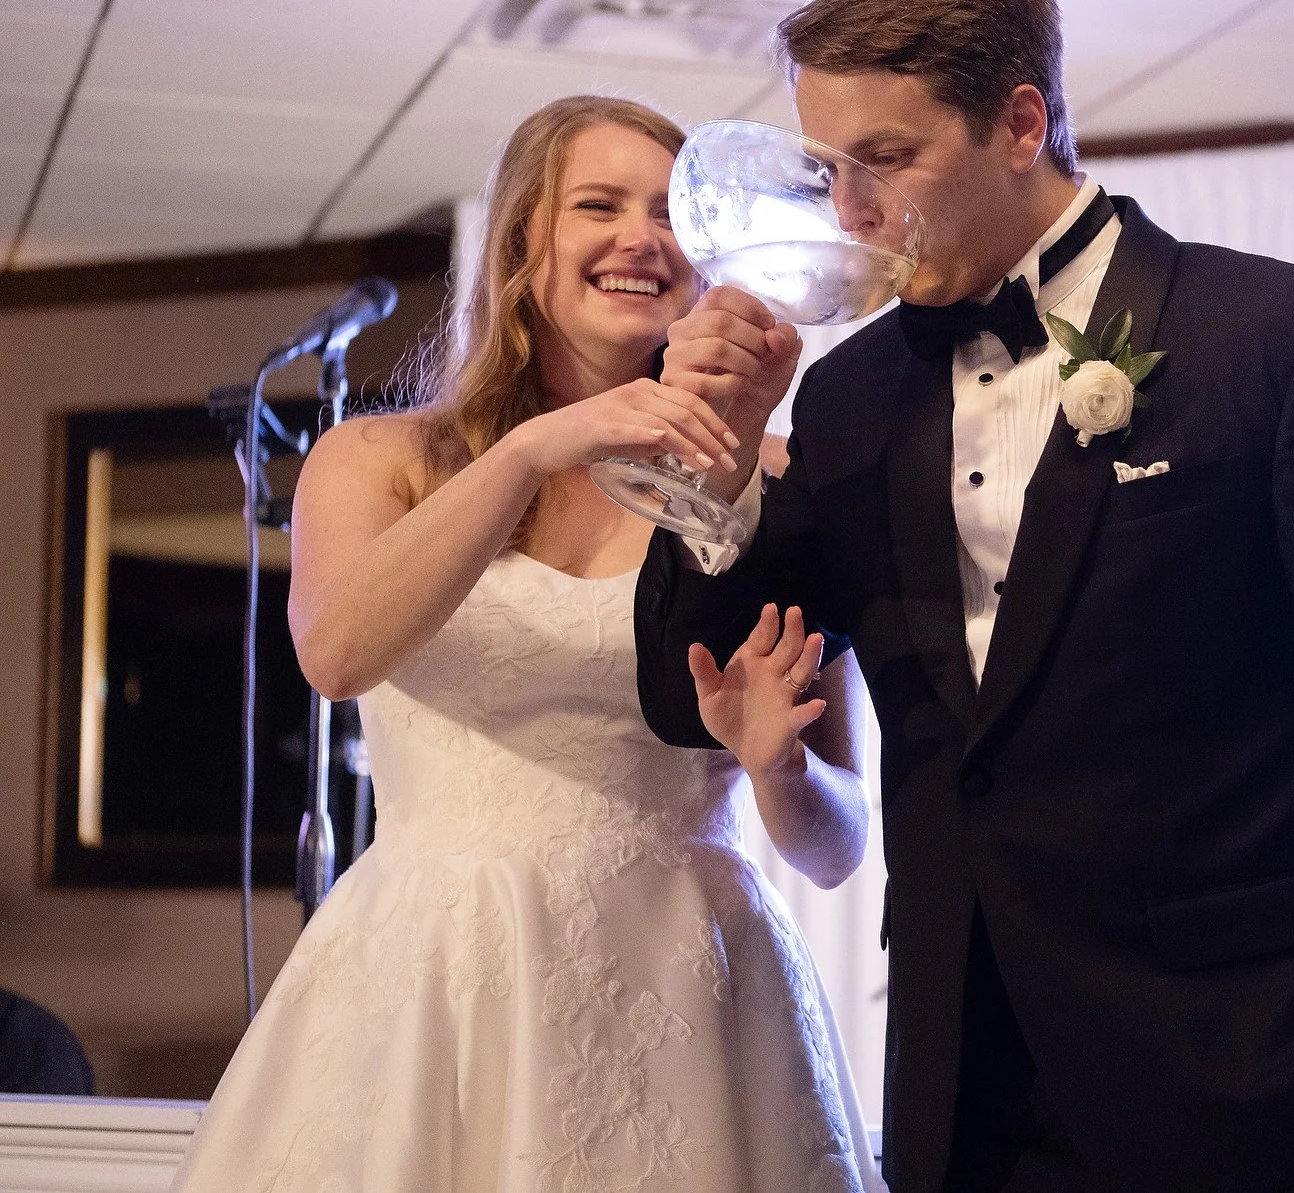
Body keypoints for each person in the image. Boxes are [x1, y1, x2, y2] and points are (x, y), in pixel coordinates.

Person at [637, 0, 1294, 1192]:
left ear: (1019, 123)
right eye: (830, 170)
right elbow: (691, 695)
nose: (851, 212)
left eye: (887, 158)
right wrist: (717, 460)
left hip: (1259, 1075)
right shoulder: (846, 398)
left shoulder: (1280, 340)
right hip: (972, 1090)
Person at [173, 95, 884, 1192]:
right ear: (522, 243)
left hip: (689, 981)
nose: (640, 237)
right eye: (598, 205)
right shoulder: (380, 460)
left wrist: (777, 767)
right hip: (440, 972)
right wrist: (531, 451)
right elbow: (337, 655)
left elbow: (835, 847)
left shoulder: (777, 477)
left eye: (669, 212)